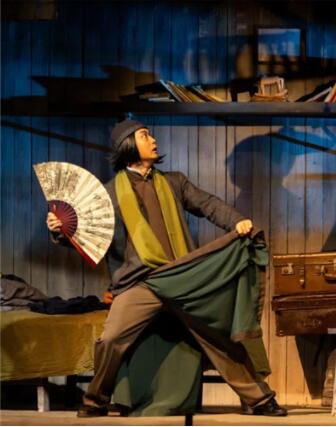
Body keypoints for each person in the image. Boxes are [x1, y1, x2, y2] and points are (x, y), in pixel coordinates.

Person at [47, 119, 287, 417]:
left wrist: (236, 221)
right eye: (145, 135)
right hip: (139, 282)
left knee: (217, 337)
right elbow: (86, 235)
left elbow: (208, 204)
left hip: (182, 277)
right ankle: (95, 401)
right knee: (110, 339)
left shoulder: (174, 182)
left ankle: (260, 399)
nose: (153, 140)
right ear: (128, 144)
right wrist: (59, 230)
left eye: (150, 134)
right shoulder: (108, 194)